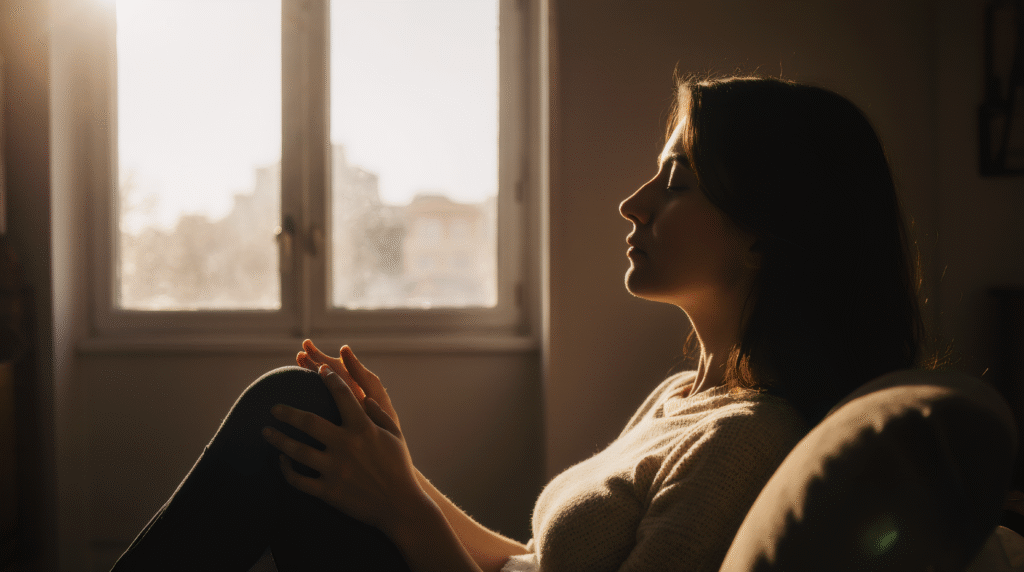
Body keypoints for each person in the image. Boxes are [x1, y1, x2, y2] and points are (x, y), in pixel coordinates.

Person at [110, 75, 927, 572]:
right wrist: (401, 474)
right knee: (308, 415)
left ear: (763, 231)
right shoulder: (685, 396)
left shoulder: (748, 442)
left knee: (287, 408)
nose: (631, 202)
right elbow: (530, 561)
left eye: (675, 180)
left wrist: (401, 510)